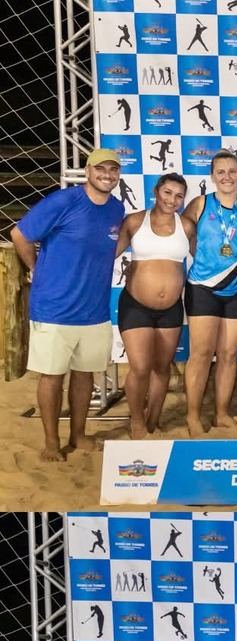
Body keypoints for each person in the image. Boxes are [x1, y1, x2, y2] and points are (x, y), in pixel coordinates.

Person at [11, 148, 124, 461]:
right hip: (54, 309)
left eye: (113, 170)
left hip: (94, 311)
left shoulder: (116, 209)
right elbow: (19, 234)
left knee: (85, 375)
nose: (107, 175)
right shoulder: (64, 201)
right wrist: (34, 267)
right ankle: (51, 442)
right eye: (101, 169)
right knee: (51, 377)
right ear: (88, 171)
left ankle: (78, 435)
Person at [183, 150, 237, 436]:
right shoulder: (200, 204)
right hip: (203, 289)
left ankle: (221, 413)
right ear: (212, 176)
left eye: (232, 171)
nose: (227, 177)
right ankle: (193, 416)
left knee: (229, 355)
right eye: (221, 172)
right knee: (201, 353)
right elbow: (183, 238)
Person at [114, 173, 196, 438]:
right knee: (139, 367)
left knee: (162, 368)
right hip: (136, 305)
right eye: (167, 192)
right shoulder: (135, 222)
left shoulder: (186, 226)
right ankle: (137, 421)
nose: (172, 200)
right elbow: (106, 254)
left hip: (171, 308)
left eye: (179, 195)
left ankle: (153, 420)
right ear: (156, 191)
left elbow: (205, 259)